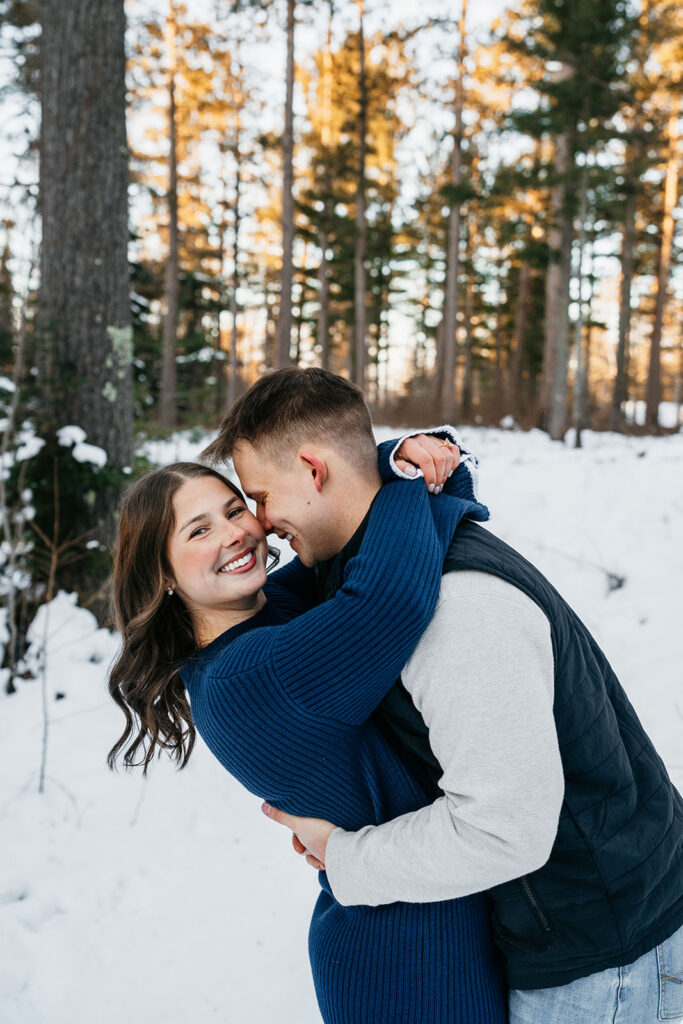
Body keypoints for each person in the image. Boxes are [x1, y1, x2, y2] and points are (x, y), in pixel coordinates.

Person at [203, 367, 683, 1024]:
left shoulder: (457, 607)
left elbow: (502, 832)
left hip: (603, 960)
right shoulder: (373, 563)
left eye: (259, 496)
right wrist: (398, 462)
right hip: (580, 938)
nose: (260, 525)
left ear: (313, 471)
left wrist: (345, 859)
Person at [107, 421, 508, 1022]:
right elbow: (390, 596)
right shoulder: (250, 676)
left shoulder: (269, 611)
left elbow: (369, 522)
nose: (237, 534)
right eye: (198, 530)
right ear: (162, 577)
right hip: (405, 969)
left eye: (236, 509)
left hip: (433, 920)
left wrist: (398, 456)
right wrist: (399, 474)